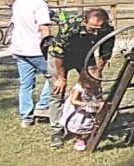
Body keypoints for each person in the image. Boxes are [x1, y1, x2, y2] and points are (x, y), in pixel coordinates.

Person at [46, 8, 115, 148]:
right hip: (61, 57)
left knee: (95, 89)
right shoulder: (71, 26)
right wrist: (61, 78)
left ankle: (93, 125)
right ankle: (56, 131)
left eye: (99, 29)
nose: (96, 32)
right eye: (92, 29)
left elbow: (105, 53)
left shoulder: (107, 29)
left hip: (85, 56)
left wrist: (97, 72)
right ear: (85, 22)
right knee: (57, 92)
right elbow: (58, 53)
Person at [9, 0, 54, 127]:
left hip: (19, 48)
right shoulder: (39, 4)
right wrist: (51, 46)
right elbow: (44, 28)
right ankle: (43, 106)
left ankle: (26, 118)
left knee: (26, 84)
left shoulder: (19, 1)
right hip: (35, 50)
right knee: (56, 76)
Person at [60, 69, 103, 151]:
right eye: (91, 85)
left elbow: (99, 96)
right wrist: (85, 104)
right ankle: (79, 139)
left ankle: (89, 132)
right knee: (78, 123)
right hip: (78, 108)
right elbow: (73, 101)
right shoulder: (79, 88)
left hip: (89, 106)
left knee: (88, 121)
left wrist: (99, 102)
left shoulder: (96, 87)